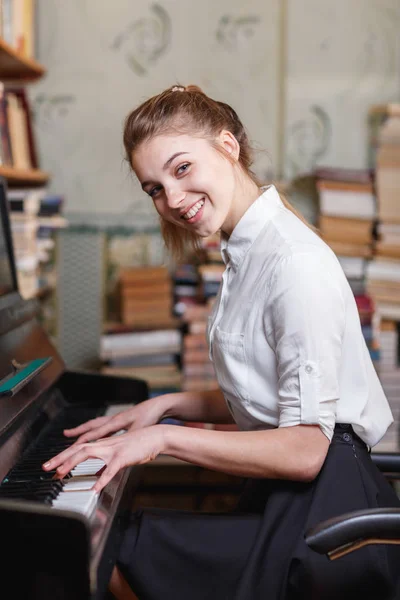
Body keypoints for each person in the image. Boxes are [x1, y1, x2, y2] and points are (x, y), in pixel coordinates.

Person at [43, 84, 400, 600]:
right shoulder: (247, 249)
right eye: (154, 188)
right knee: (116, 541)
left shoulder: (291, 262)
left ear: (227, 146)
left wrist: (164, 438)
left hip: (328, 515)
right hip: (292, 494)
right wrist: (167, 405)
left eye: (181, 168)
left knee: (108, 552)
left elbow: (305, 451)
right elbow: (270, 393)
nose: (172, 199)